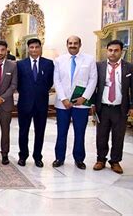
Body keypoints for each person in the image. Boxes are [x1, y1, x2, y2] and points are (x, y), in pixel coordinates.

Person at [93, 40, 133, 174]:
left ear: (121, 51)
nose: (113, 53)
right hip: (103, 107)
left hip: (121, 108)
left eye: (116, 50)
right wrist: (91, 104)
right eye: (110, 50)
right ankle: (100, 159)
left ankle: (115, 161)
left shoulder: (130, 67)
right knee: (101, 135)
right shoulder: (99, 66)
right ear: (107, 51)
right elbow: (93, 86)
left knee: (118, 136)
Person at [52, 36, 97, 169]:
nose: (73, 45)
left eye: (75, 43)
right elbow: (57, 80)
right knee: (61, 132)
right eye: (70, 43)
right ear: (66, 45)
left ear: (80, 44)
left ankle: (79, 159)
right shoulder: (59, 60)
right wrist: (64, 99)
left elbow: (93, 80)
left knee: (80, 132)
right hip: (63, 103)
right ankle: (59, 158)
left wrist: (84, 97)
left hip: (81, 103)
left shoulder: (89, 60)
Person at [16, 38, 54, 168]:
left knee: (40, 132)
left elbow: (49, 82)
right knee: (23, 131)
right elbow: (18, 84)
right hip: (25, 104)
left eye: (36, 47)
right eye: (31, 47)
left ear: (40, 48)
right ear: (28, 49)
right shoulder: (20, 64)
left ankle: (38, 157)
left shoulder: (48, 64)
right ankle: (23, 156)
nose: (34, 50)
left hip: (41, 104)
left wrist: (39, 92)